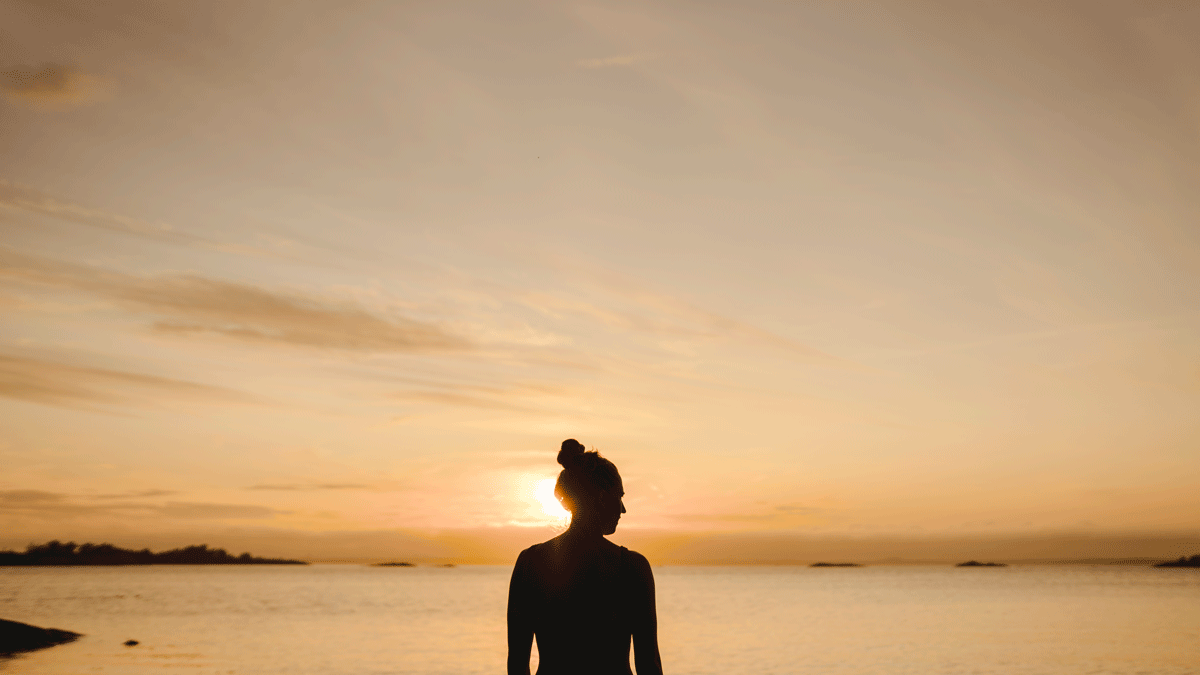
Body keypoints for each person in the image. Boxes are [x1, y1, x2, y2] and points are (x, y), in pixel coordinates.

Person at [507, 439, 664, 675]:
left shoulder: (530, 562)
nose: (623, 509)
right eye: (619, 496)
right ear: (601, 496)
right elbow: (648, 664)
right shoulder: (632, 568)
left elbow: (517, 665)